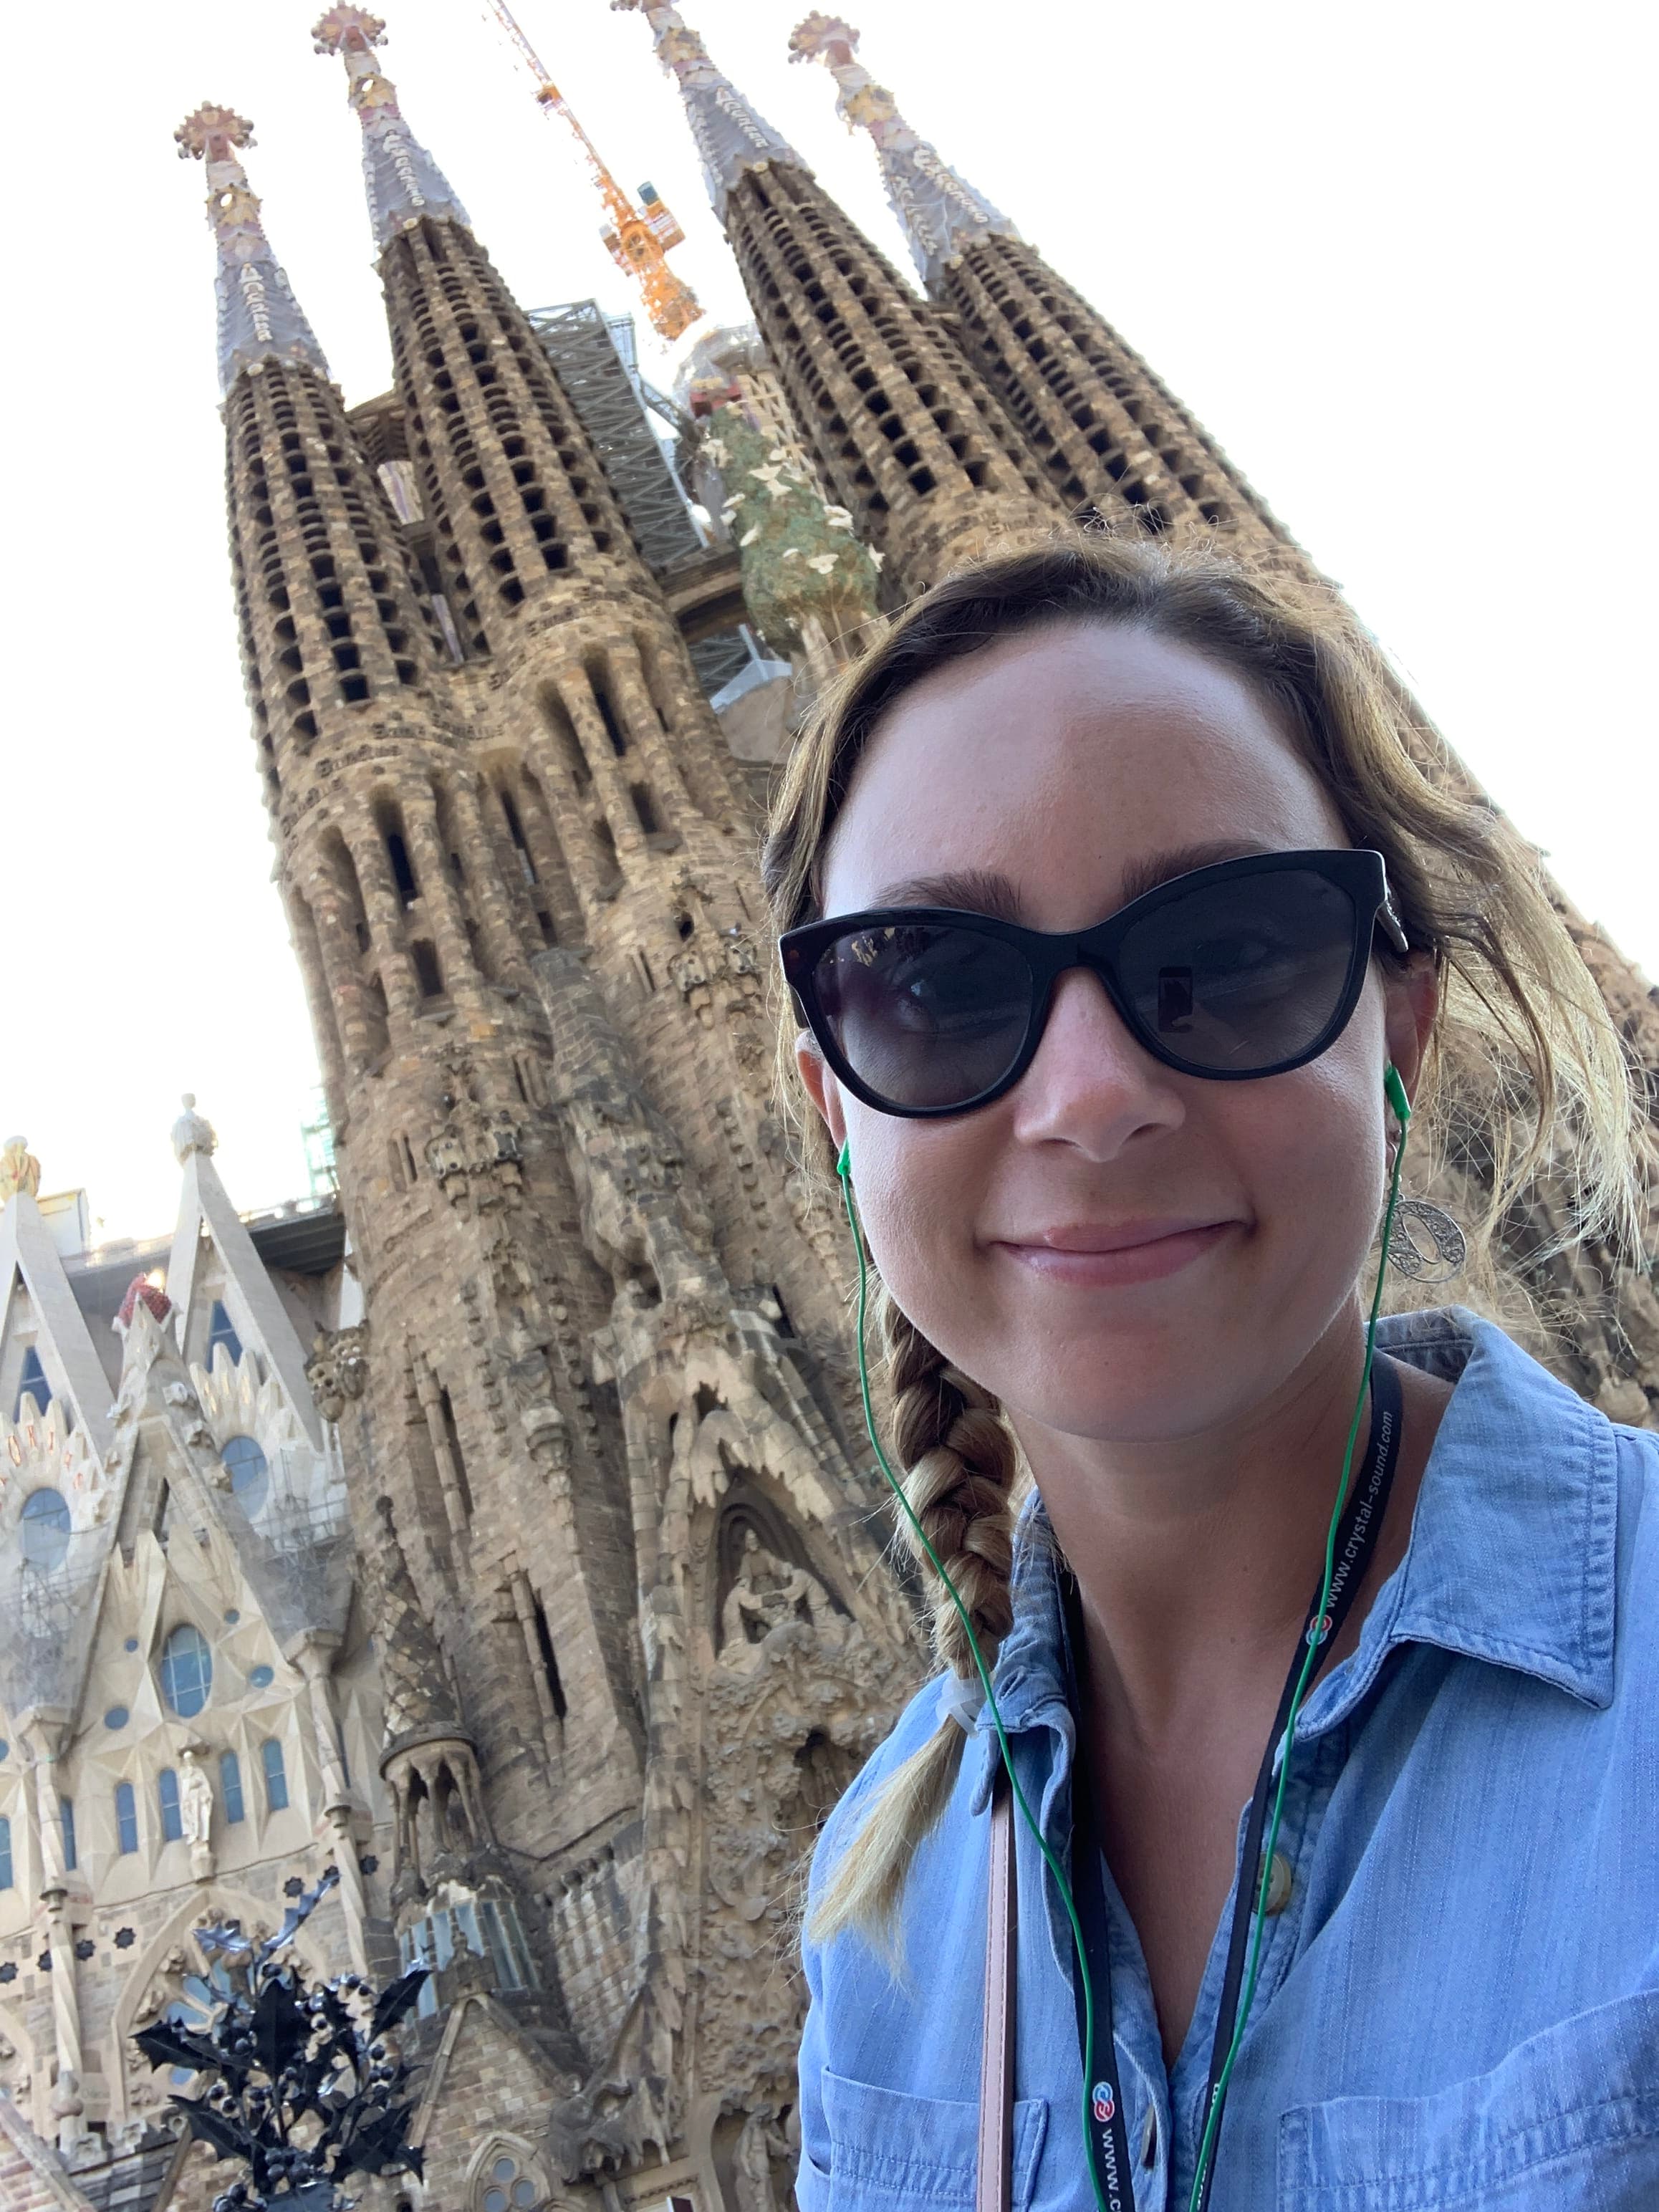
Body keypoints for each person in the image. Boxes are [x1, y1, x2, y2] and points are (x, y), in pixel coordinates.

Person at [763, 537, 1658, 2211]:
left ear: (1398, 1023)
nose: (1092, 1095)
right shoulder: (884, 1918)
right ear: (836, 1111)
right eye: (937, 985)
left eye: (1226, 945)